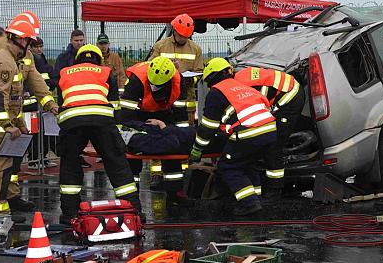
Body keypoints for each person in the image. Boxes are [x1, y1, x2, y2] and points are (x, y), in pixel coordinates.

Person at [0, 13, 57, 213]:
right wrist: (7, 125)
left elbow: (34, 80)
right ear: (20, 38)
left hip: (3, 119)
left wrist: (49, 103)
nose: (32, 44)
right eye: (29, 40)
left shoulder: (19, 56)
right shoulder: (2, 56)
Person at [56, 44, 142, 223]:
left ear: (78, 59)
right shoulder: (105, 71)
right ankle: (133, 210)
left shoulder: (65, 72)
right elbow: (115, 105)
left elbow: (62, 102)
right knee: (117, 164)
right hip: (102, 119)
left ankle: (70, 213)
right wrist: (116, 136)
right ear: (98, 58)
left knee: (69, 165)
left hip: (72, 121)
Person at [189, 58, 277, 216]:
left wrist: (197, 149)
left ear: (212, 78)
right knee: (249, 165)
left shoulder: (216, 93)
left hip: (249, 133)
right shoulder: (243, 86)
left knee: (228, 167)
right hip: (270, 131)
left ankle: (249, 203)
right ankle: (256, 198)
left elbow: (208, 128)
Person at [120, 56, 192, 205]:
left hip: (165, 114)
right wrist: (148, 128)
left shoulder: (179, 82)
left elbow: (180, 115)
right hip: (139, 117)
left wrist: (182, 139)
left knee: (173, 152)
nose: (154, 89)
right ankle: (131, 199)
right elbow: (126, 117)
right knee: (133, 155)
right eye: (152, 85)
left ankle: (174, 195)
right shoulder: (136, 81)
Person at [234, 66, 305, 201]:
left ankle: (275, 190)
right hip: (288, 88)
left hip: (290, 98)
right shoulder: (240, 76)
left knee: (273, 145)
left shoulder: (241, 88)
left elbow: (256, 112)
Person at [149, 14, 204, 124]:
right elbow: (150, 68)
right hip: (164, 97)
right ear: (174, 30)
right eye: (181, 35)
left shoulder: (195, 49)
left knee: (185, 131)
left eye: (186, 36)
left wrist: (187, 80)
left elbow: (199, 73)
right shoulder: (160, 46)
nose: (183, 39)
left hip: (187, 100)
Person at [26, 37, 56, 168]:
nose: (39, 49)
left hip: (41, 102)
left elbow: (50, 76)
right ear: (30, 47)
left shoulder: (42, 59)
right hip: (31, 104)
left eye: (41, 46)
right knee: (34, 133)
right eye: (36, 46)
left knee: (43, 133)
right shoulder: (31, 60)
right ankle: (33, 159)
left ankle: (42, 157)